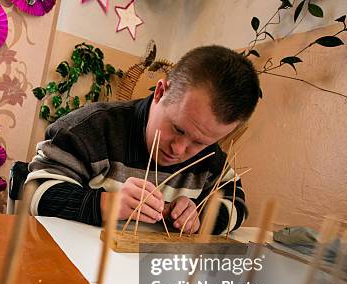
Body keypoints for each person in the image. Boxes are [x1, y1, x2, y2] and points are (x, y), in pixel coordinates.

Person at [24, 45, 260, 234]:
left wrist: (199, 216)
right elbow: (35, 192)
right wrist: (107, 203)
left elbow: (236, 204)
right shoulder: (89, 129)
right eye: (177, 129)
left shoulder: (210, 157)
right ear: (160, 93)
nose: (179, 149)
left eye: (199, 142)